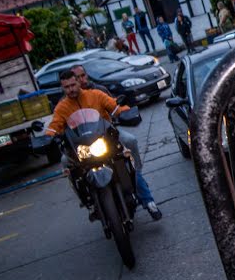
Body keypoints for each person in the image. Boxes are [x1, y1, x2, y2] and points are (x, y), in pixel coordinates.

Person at [45, 70, 161, 221]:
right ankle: (85, 199)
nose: (71, 89)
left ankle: (148, 199)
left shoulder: (95, 95)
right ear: (62, 88)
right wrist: (48, 137)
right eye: (66, 87)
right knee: (65, 161)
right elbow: (55, 125)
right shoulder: (62, 107)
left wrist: (126, 112)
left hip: (106, 137)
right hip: (82, 146)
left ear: (79, 82)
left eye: (73, 85)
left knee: (129, 145)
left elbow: (114, 107)